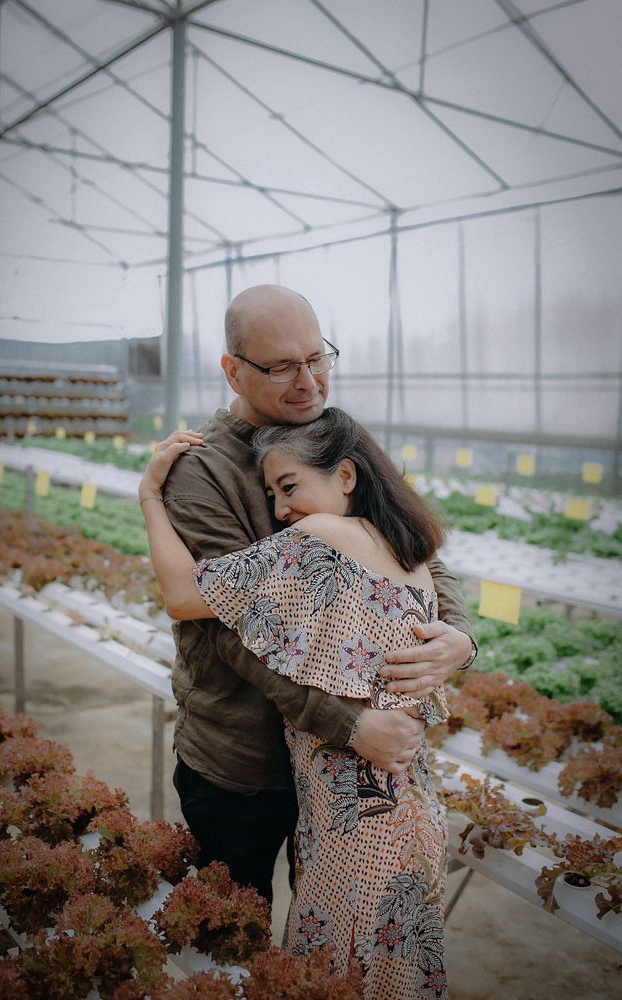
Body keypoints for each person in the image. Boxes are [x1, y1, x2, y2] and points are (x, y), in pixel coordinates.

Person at [154, 285, 476, 903]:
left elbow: (412, 543)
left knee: (331, 950)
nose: (307, 382)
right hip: (245, 762)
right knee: (235, 941)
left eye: (317, 359)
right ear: (233, 371)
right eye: (281, 367)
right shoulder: (202, 470)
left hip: (347, 770)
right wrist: (349, 724)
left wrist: (458, 637)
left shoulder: (333, 437)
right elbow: (232, 632)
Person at [138, 407, 452, 998]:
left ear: (347, 478)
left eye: (290, 488)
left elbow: (183, 595)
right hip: (405, 812)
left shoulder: (323, 539)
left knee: (328, 982)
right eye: (273, 494)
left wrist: (151, 495)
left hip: (355, 824)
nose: (282, 511)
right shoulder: (404, 551)